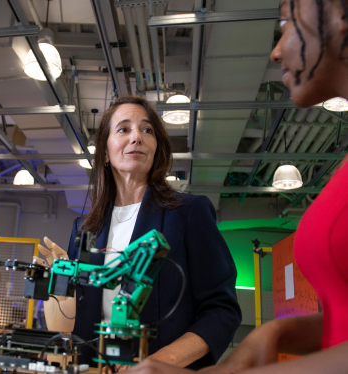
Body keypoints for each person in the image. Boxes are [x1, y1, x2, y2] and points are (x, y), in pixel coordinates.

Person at [124, 0, 348, 373]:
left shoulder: (188, 212)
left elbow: (219, 308)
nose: (276, 51)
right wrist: (272, 335)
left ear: (340, 14)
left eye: (286, 22)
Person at [37, 96, 241, 370]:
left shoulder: (189, 212)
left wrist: (158, 363)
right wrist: (58, 292)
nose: (137, 137)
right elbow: (76, 321)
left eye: (147, 130)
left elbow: (222, 310)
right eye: (123, 129)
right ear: (106, 153)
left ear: (157, 148)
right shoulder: (85, 230)